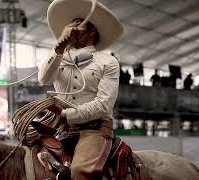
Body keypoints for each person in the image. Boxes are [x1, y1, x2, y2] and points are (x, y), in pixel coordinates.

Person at [38, 0, 123, 179]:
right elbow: (44, 79)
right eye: (70, 26)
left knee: (79, 172)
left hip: (95, 130)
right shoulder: (57, 57)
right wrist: (59, 47)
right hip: (62, 130)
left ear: (92, 32)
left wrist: (65, 114)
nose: (70, 29)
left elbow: (103, 105)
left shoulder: (108, 62)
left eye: (77, 26)